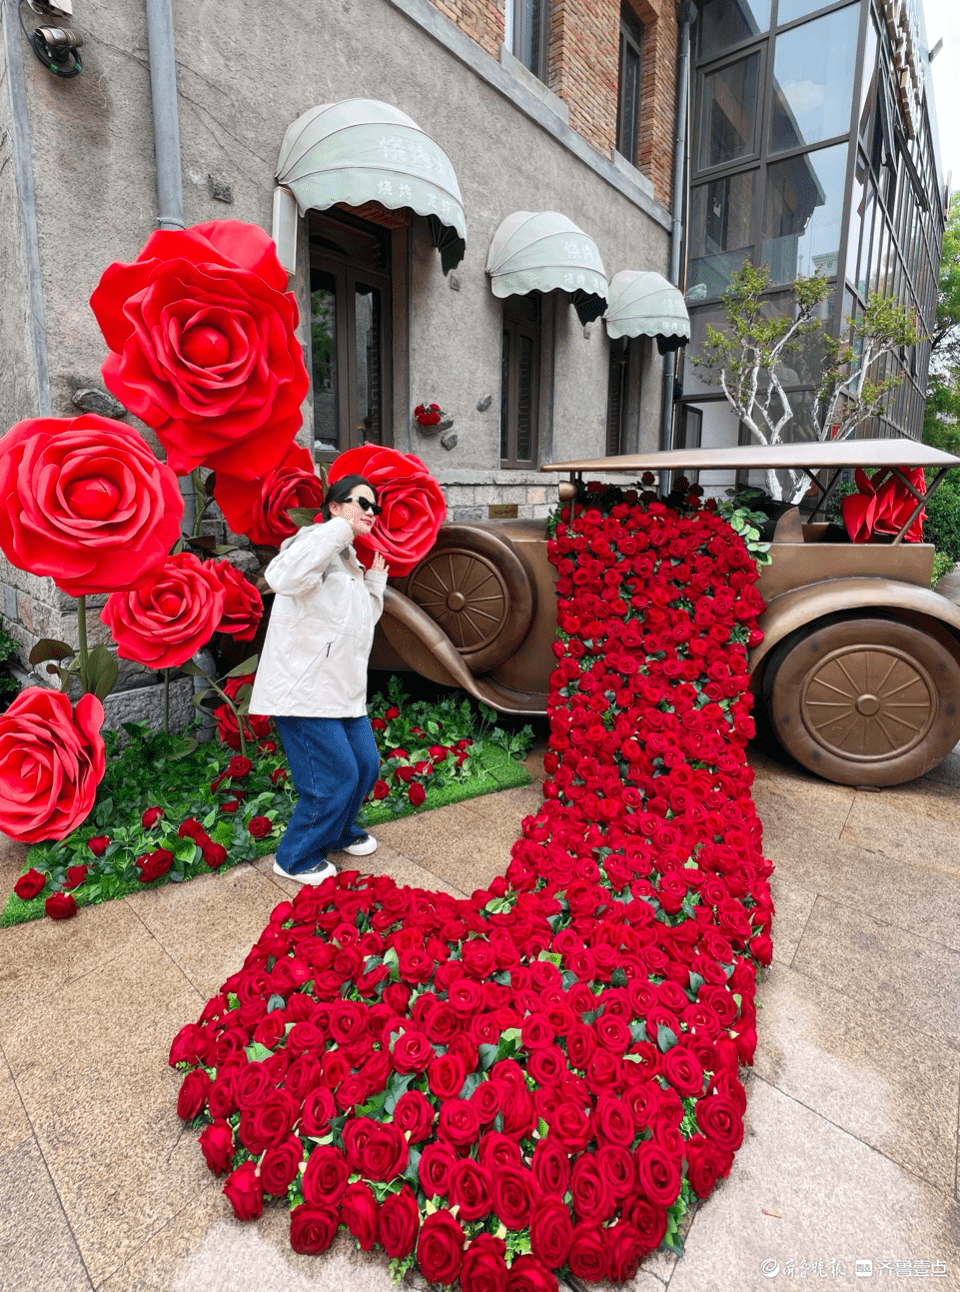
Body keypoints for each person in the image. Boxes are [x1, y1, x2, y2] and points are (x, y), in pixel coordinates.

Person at [248, 474, 388, 884]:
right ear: (335, 508)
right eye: (360, 503)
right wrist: (339, 530)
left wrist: (373, 584)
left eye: (374, 507)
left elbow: (359, 626)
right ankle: (294, 857)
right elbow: (282, 577)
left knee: (365, 766)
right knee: (335, 775)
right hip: (304, 691)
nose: (369, 512)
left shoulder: (347, 560)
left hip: (341, 691)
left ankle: (339, 831)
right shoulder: (310, 545)